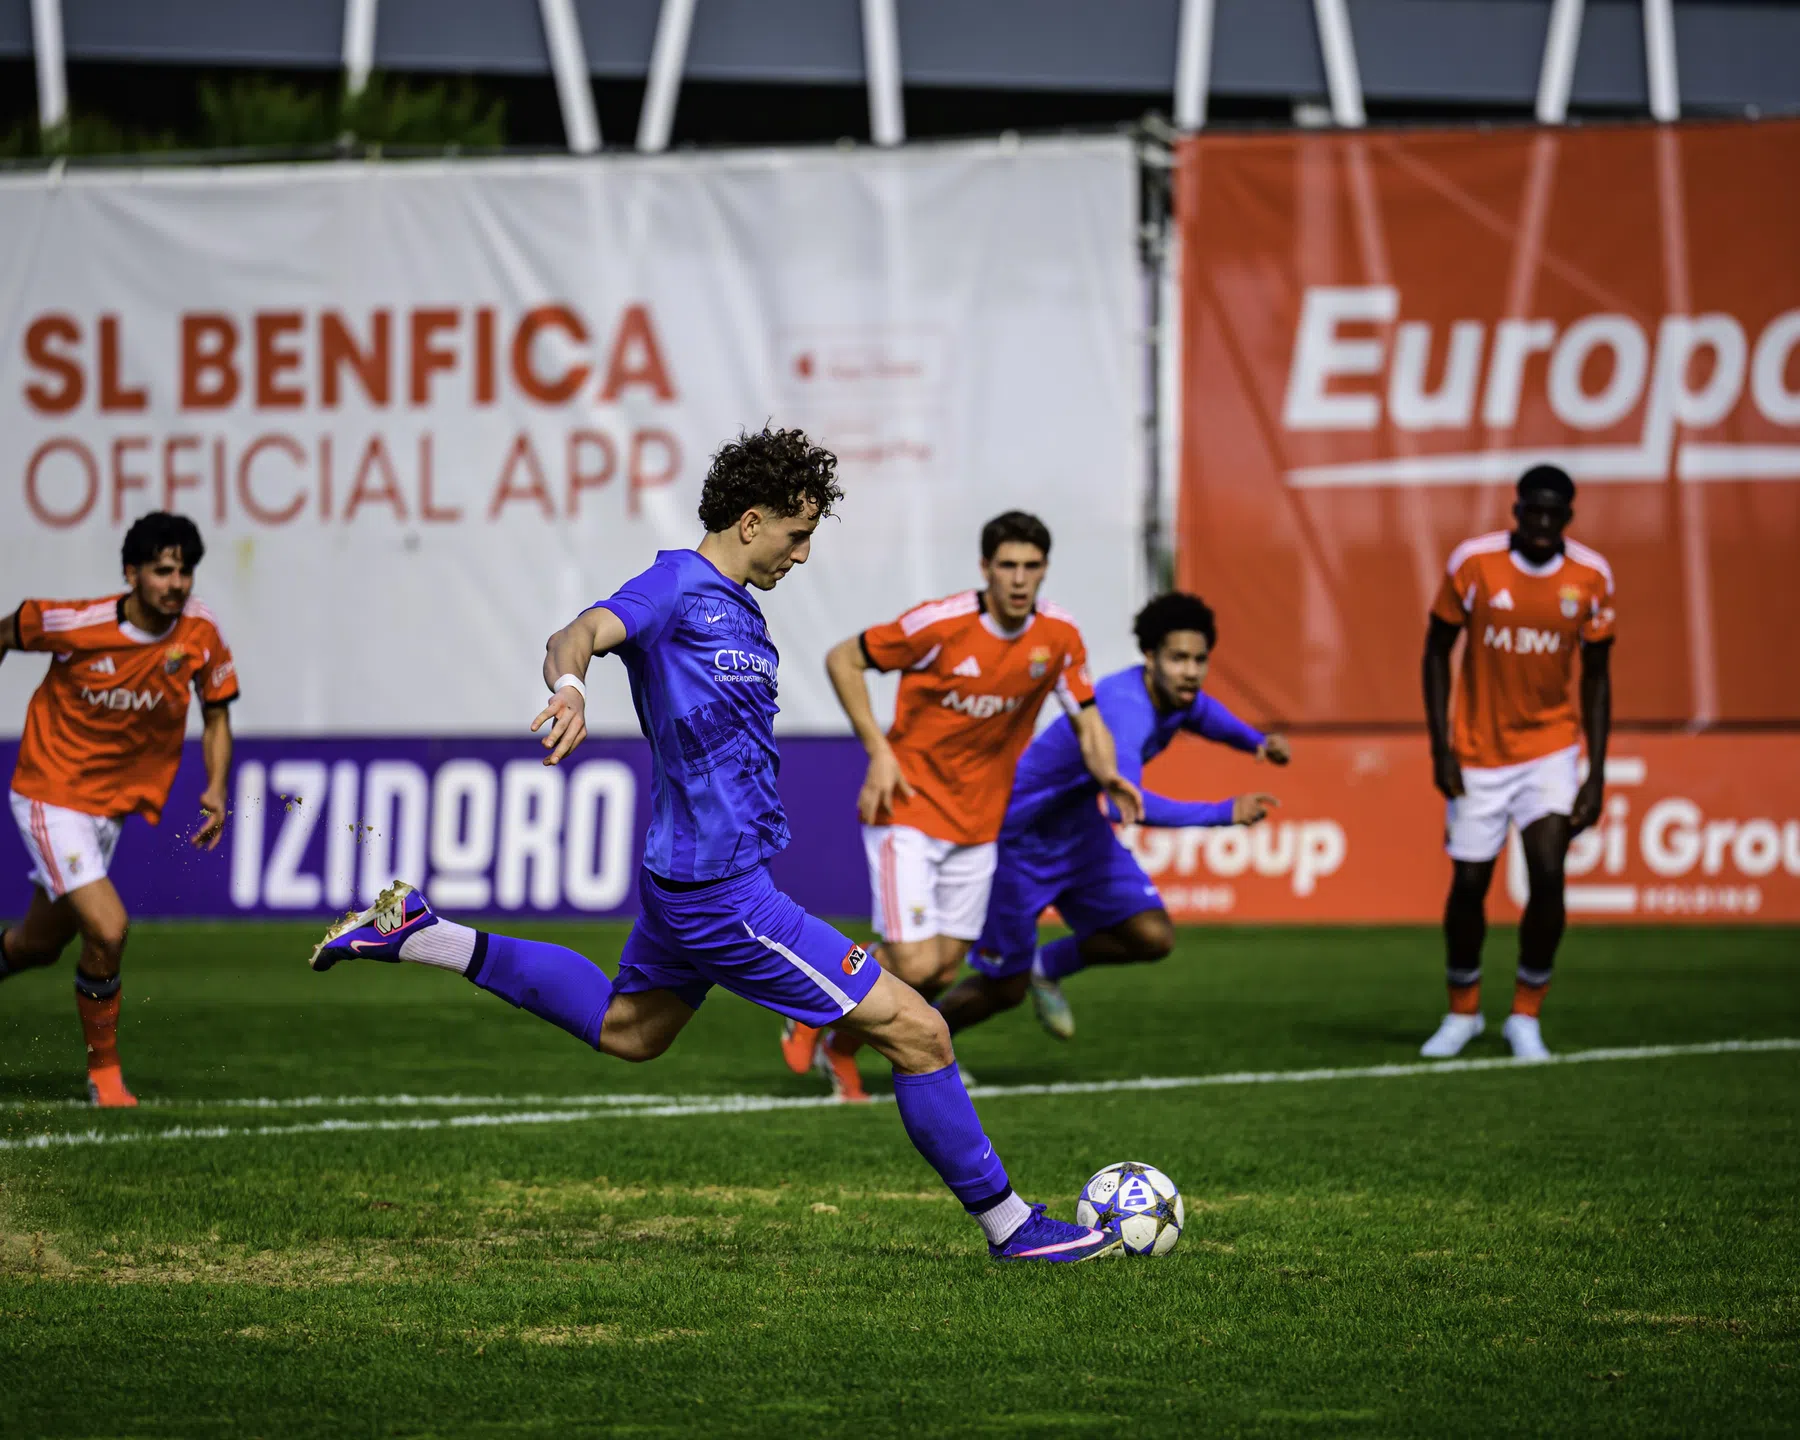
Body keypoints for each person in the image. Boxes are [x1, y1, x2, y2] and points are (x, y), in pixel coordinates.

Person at [308, 428, 1122, 1263]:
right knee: (920, 1033)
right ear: (750, 518)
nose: (803, 555)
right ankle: (1012, 1228)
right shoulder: (672, 587)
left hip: (686, 877)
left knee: (632, 1031)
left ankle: (419, 931)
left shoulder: (737, 607)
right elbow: (577, 631)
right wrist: (571, 687)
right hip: (722, 896)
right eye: (797, 535)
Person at [782, 511, 1143, 1100]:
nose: (1020, 579)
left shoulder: (1058, 637)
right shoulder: (938, 623)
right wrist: (879, 750)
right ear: (985, 569)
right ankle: (812, 1009)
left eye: (1031, 567)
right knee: (915, 965)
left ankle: (837, 1040)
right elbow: (841, 658)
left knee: (945, 969)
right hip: (908, 808)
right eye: (1008, 566)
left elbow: (1088, 718)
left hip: (979, 823)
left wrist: (1110, 776)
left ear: (1044, 570)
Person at [934, 592, 1285, 1041]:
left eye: (1200, 659)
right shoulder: (1126, 711)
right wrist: (1223, 812)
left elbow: (1204, 715)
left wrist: (1255, 742)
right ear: (1149, 656)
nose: (1192, 671)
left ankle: (1049, 965)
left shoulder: (1175, 697)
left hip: (1080, 835)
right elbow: (1131, 804)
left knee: (1151, 936)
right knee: (1005, 987)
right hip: (1017, 844)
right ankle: (925, 1048)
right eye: (1179, 658)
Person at [0, 512, 237, 1106]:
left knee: (37, 946)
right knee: (109, 928)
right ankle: (104, 1076)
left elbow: (215, 714)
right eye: (162, 570)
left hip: (108, 811)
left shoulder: (199, 635)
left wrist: (216, 787)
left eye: (184, 571)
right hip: (50, 791)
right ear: (131, 573)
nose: (176, 583)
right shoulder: (73, 623)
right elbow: (6, 633)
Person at [1420, 464, 1614, 1062]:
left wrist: (1596, 772)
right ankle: (1463, 1011)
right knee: (1469, 885)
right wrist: (1441, 747)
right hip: (1478, 751)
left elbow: (1598, 679)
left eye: (1555, 514)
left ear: (1568, 518)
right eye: (1533, 511)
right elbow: (1434, 652)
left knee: (1549, 873)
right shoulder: (1473, 565)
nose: (1542, 523)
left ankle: (1525, 1015)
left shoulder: (1591, 576)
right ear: (1517, 509)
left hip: (1551, 749)